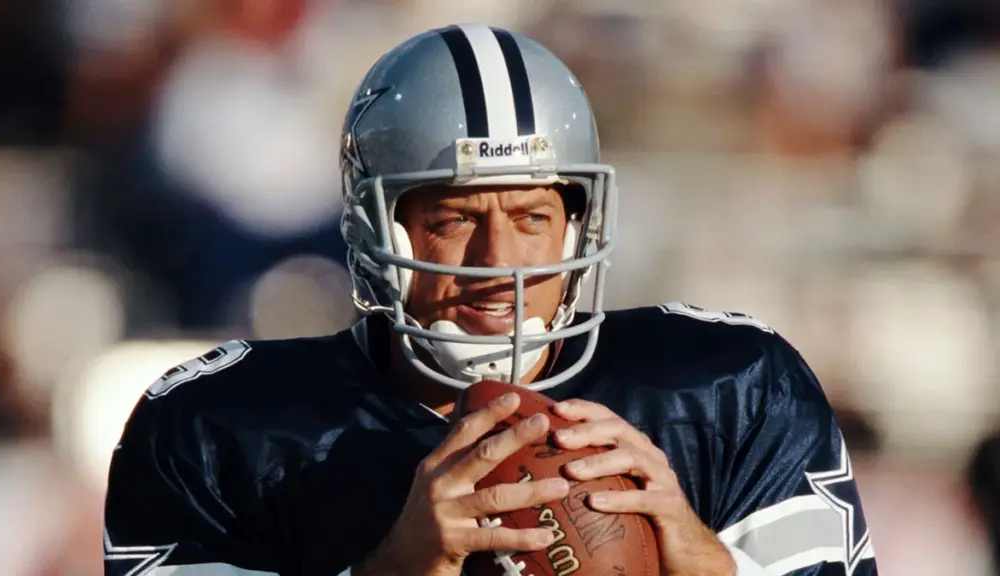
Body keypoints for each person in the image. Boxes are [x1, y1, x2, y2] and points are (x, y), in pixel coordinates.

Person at [103, 23, 878, 576]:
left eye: (532, 218)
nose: (498, 261)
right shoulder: (216, 431)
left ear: (578, 224)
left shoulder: (731, 391)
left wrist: (705, 563)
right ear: (376, 230)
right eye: (453, 219)